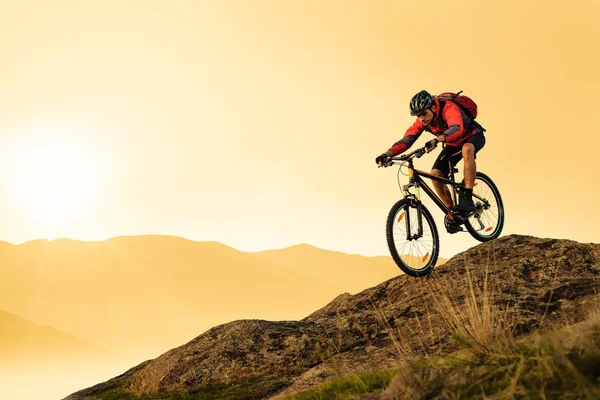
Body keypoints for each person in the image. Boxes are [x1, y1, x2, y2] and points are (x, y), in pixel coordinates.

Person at [375, 90, 486, 227]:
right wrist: (387, 154)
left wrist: (437, 139)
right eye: (418, 115)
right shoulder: (422, 122)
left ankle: (468, 197)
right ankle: (453, 214)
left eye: (424, 114)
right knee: (435, 174)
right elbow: (407, 140)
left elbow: (456, 127)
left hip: (472, 135)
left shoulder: (448, 107)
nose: (421, 118)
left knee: (467, 149)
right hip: (452, 143)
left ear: (433, 107)